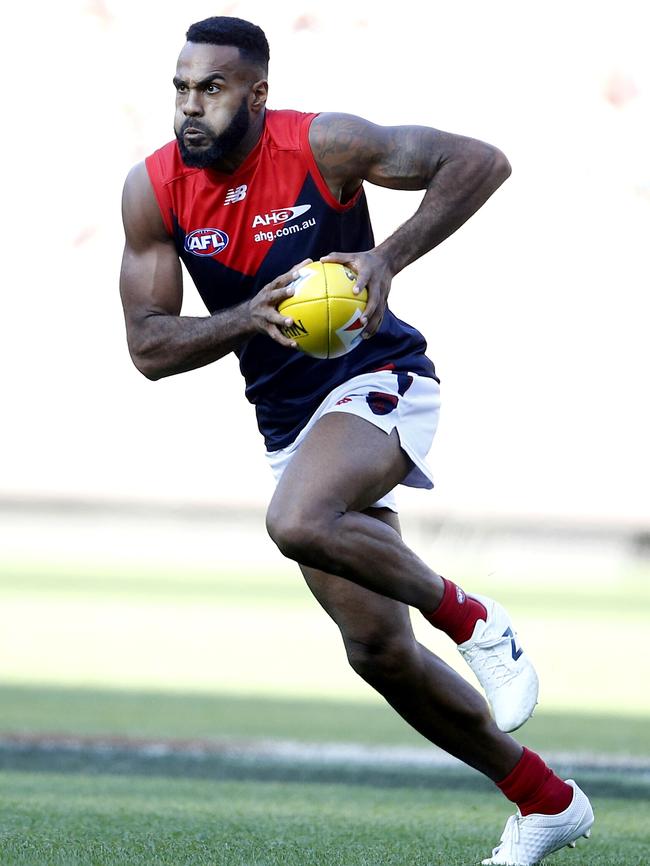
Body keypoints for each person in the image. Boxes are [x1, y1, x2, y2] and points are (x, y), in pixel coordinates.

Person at [119, 16, 594, 865]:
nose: (192, 106)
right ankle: (545, 800)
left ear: (257, 93)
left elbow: (480, 161)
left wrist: (389, 257)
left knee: (295, 520)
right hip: (288, 419)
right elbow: (148, 348)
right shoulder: (153, 189)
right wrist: (244, 317)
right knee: (377, 650)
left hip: (380, 380)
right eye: (182, 87)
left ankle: (479, 623)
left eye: (213, 88)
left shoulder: (324, 145)